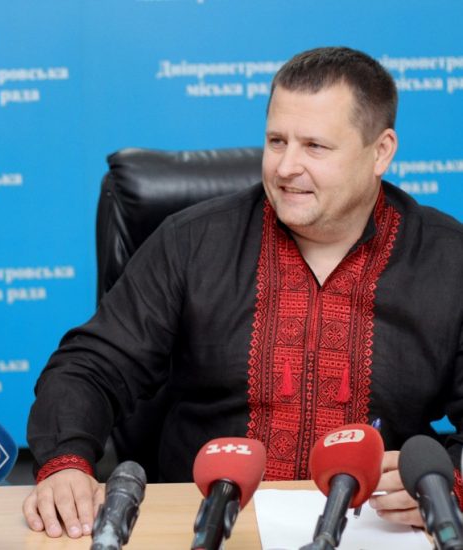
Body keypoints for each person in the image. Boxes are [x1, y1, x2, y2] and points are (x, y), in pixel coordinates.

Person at [23, 46, 463, 538]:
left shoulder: (449, 259)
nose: (286, 166)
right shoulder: (193, 242)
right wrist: (65, 464)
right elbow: (89, 367)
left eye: (315, 147)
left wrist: (448, 482)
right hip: (207, 527)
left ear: (380, 151)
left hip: (377, 531)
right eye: (277, 141)